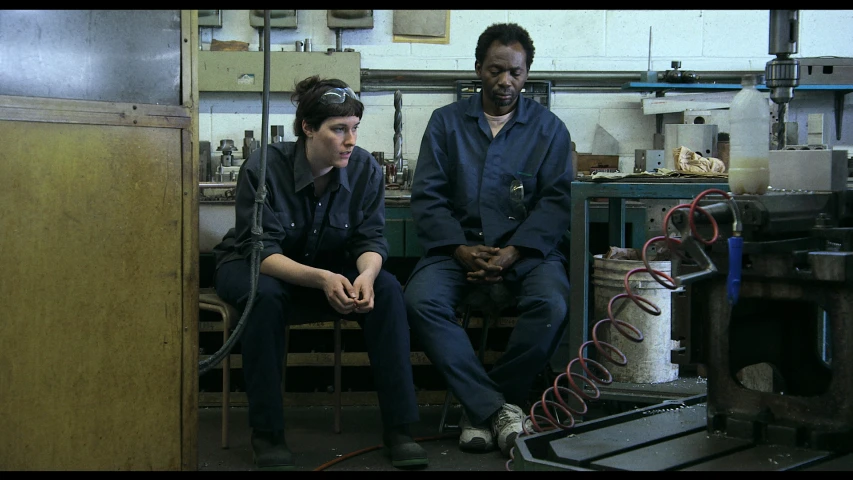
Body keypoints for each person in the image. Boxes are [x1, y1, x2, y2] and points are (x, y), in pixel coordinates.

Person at [212, 76, 428, 471]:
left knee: (389, 289)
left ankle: (400, 428)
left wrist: (365, 276)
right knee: (266, 297)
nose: (350, 140)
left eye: (354, 129)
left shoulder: (364, 169)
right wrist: (322, 279)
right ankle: (268, 434)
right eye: (339, 129)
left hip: (325, 270)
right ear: (308, 128)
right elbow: (261, 251)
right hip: (254, 268)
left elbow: (371, 239)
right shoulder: (264, 167)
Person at [404, 23, 573, 458]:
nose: (505, 82)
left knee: (552, 304)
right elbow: (428, 195)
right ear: (478, 68)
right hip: (456, 249)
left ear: (527, 73)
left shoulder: (549, 130)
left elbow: (555, 202)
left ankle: (483, 409)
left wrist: (516, 250)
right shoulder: (446, 124)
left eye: (515, 73)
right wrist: (460, 249)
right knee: (421, 300)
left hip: (527, 252)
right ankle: (499, 411)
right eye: (496, 70)